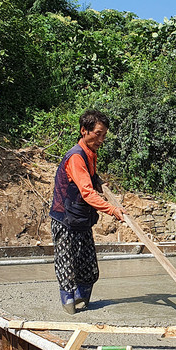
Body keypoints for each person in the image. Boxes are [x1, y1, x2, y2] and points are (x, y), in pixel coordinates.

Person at [49, 110, 125, 314]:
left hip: (81, 217)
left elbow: (89, 177)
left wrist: (98, 180)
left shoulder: (90, 153)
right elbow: (86, 192)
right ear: (84, 131)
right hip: (65, 218)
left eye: (104, 135)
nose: (101, 139)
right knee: (67, 262)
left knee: (88, 264)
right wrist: (112, 209)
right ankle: (68, 303)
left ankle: (83, 298)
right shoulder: (76, 156)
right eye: (97, 134)